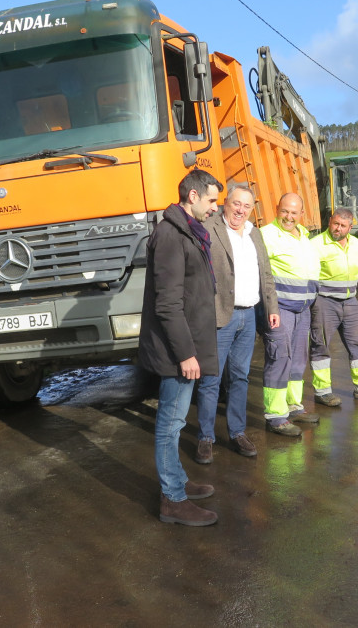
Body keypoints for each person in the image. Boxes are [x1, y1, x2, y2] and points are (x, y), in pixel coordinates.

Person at [138, 168, 223, 526]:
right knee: (170, 424)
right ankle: (172, 499)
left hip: (186, 345)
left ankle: (178, 483)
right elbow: (168, 305)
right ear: (192, 196)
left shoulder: (187, 231)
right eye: (212, 200)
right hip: (176, 352)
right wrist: (186, 354)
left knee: (173, 422)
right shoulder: (171, 236)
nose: (215, 208)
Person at [194, 185, 280, 464]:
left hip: (248, 315)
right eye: (236, 204)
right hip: (221, 315)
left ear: (251, 209)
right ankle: (206, 437)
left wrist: (272, 307)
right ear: (225, 204)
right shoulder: (209, 227)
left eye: (246, 206)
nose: (240, 211)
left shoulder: (254, 233)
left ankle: (237, 432)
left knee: (240, 377)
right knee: (211, 379)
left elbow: (265, 273)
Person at [309, 208, 358, 406]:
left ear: (350, 228)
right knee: (321, 346)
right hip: (325, 302)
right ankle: (323, 392)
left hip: (351, 302)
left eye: (343, 226)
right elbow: (308, 276)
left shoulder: (356, 245)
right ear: (330, 222)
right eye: (335, 224)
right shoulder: (316, 245)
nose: (337, 228)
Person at [259, 193, 322, 435]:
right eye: (285, 211)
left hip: (303, 309)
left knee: (297, 359)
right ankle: (276, 415)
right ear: (277, 209)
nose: (289, 216)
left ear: (301, 214)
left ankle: (294, 406)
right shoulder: (266, 235)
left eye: (294, 212)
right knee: (278, 358)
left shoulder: (304, 235)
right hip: (281, 309)